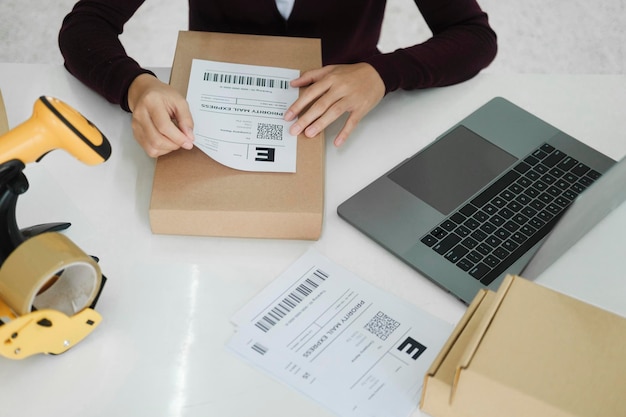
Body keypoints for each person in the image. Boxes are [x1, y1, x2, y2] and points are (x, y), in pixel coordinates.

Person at [59, 0, 497, 158]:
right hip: (210, 116)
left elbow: (475, 37)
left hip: (346, 125)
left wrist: (383, 74)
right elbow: (85, 27)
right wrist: (138, 86)